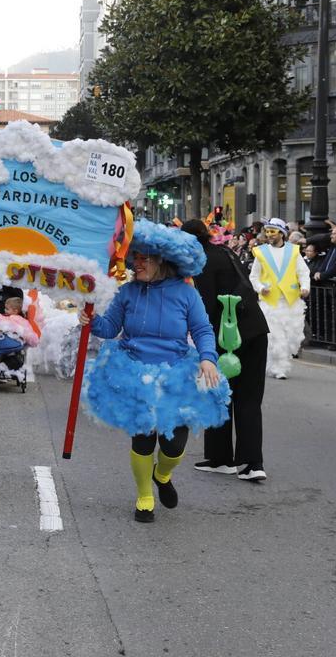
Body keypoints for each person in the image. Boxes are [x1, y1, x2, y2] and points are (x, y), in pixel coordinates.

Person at [80, 220, 231, 523]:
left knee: (174, 445)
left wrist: (208, 359)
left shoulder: (186, 294)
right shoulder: (128, 292)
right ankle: (144, 495)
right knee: (143, 439)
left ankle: (162, 475)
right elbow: (110, 328)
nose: (136, 263)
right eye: (135, 257)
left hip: (176, 372)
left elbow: (202, 329)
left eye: (143, 258)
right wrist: (90, 320)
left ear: (162, 261)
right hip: (135, 372)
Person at [182, 219, 270, 482]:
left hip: (225, 333)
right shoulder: (226, 252)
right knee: (250, 399)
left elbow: (205, 308)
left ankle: (221, 458)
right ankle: (251, 463)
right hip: (255, 329)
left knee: (218, 394)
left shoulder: (200, 263)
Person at [249, 218, 310, 380]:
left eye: (272, 231)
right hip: (270, 302)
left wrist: (305, 286)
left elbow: (303, 272)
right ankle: (278, 368)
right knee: (274, 337)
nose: (269, 234)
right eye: (267, 231)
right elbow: (253, 276)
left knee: (290, 337)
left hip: (291, 301)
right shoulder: (260, 252)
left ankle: (277, 364)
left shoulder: (294, 251)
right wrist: (261, 288)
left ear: (281, 233)